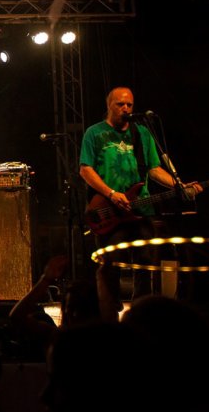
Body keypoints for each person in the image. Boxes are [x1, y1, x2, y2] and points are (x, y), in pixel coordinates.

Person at [79, 86, 200, 296]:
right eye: (120, 104)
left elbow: (154, 169)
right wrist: (111, 194)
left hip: (141, 210)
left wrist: (179, 185)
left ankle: (141, 307)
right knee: (110, 263)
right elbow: (85, 170)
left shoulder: (142, 133)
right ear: (109, 105)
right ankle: (110, 307)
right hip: (109, 210)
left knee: (145, 261)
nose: (126, 108)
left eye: (129, 105)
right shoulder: (94, 133)